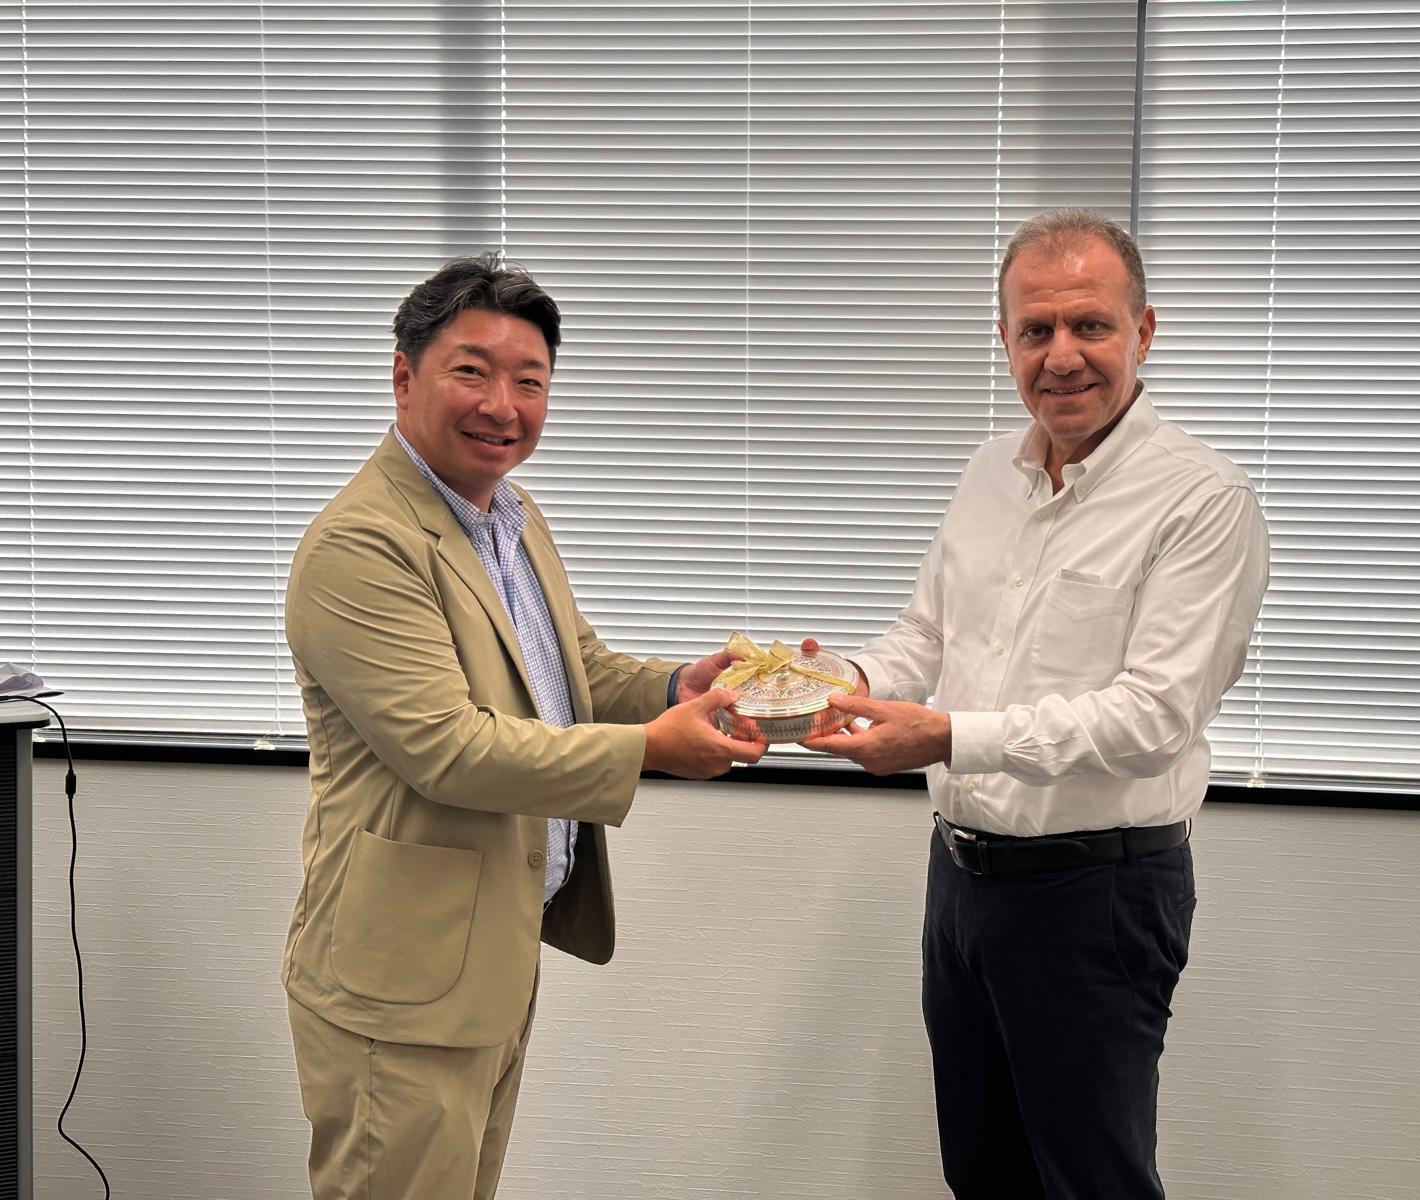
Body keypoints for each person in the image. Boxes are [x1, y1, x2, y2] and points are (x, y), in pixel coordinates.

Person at [804, 209, 1270, 1198]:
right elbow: (926, 635)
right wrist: (838, 684)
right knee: (982, 1172)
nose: (1061, 355)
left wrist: (946, 736)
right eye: (1035, 329)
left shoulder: (1201, 500)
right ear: (1005, 339)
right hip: (960, 882)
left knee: (1090, 1181)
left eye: (1089, 325)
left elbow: (1153, 717)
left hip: (1095, 893)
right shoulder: (989, 472)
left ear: (1143, 331)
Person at [281, 252, 765, 1200]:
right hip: (401, 984)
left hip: (485, 958)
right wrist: (652, 750)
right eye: (472, 371)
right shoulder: (361, 544)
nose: (502, 405)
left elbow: (569, 669)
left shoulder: (507, 514)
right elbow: (449, 748)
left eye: (529, 381)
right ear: (404, 376)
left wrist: (680, 685)